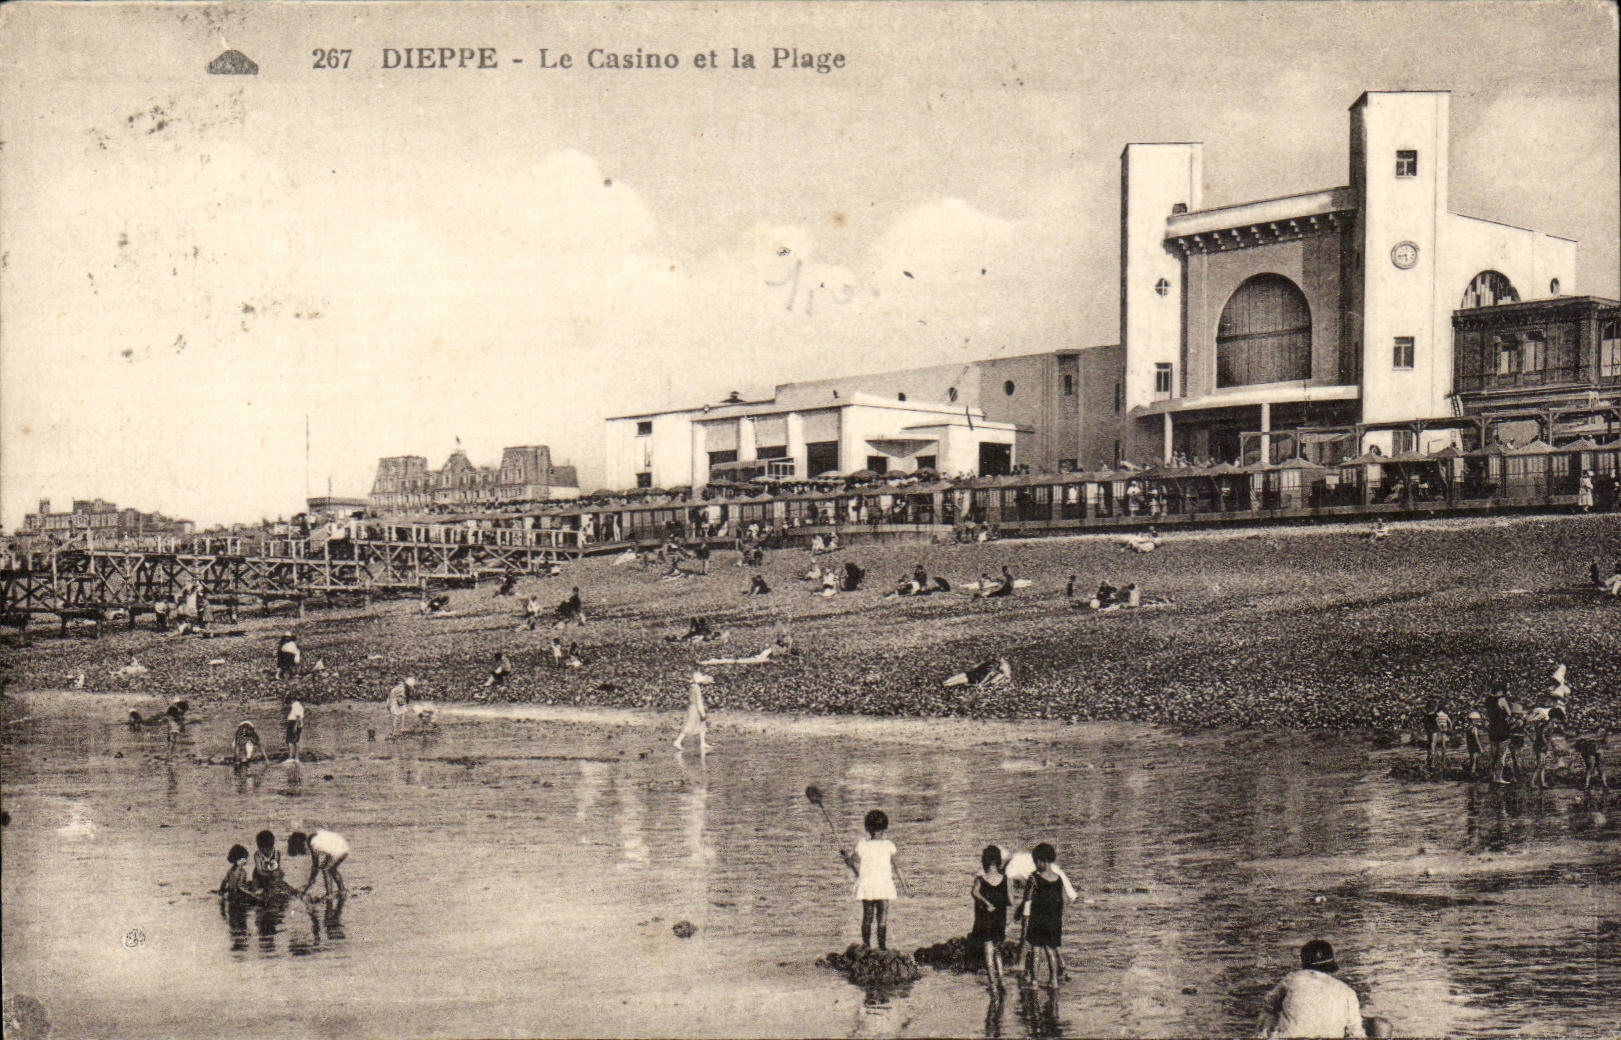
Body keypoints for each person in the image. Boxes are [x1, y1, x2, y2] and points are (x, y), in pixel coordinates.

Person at [1256, 939, 1366, 1038]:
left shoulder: (1292, 980)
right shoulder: (1347, 992)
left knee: (1269, 1016)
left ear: (1304, 962)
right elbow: (1356, 1033)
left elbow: (1269, 1005)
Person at [842, 809, 904, 950]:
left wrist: (846, 857)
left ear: (867, 828)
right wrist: (905, 886)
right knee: (882, 918)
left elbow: (852, 862)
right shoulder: (889, 845)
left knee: (867, 917)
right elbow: (897, 867)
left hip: (868, 886)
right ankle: (882, 947)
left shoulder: (862, 845)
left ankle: (866, 946)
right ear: (885, 828)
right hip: (883, 886)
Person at [1016, 843, 1071, 988]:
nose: (1035, 864)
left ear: (1042, 861)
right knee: (1050, 950)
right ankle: (1053, 981)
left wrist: (1019, 911)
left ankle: (1034, 981)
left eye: (1036, 861)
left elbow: (1027, 898)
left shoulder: (1034, 878)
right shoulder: (1058, 878)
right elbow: (1064, 899)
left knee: (1036, 950)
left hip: (1038, 919)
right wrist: (1058, 915)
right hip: (1054, 919)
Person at [970, 845, 1010, 990]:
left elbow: (975, 893)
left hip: (985, 919)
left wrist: (986, 902)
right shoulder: (1005, 879)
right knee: (998, 949)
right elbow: (1010, 901)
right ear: (999, 862)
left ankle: (992, 983)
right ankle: (1002, 980)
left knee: (988, 951)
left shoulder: (980, 879)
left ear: (984, 861)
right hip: (1000, 918)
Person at [289, 829, 349, 901]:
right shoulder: (311, 837)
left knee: (325, 869)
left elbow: (315, 865)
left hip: (339, 849)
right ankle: (341, 889)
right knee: (332, 869)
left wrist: (311, 879)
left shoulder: (313, 844)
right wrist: (312, 878)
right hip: (342, 846)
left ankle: (329, 894)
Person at [673, 670, 714, 754]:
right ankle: (678, 741)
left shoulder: (692, 686)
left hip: (692, 707)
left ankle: (702, 743)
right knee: (690, 725)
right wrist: (702, 712)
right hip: (695, 709)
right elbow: (698, 702)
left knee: (702, 724)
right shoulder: (697, 688)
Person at [1421, 699, 1451, 775]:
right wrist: (1441, 729)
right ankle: (1434, 762)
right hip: (1434, 730)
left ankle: (1430, 760)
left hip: (1430, 730)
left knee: (1430, 744)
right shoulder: (1435, 715)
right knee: (1433, 745)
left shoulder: (1427, 715)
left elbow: (1425, 723)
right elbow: (1437, 723)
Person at [252, 829, 287, 894]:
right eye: (261, 848)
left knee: (277, 880)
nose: (265, 850)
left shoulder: (276, 853)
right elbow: (259, 871)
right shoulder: (257, 855)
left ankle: (275, 890)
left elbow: (276, 867)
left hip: (271, 874)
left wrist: (278, 874)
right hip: (260, 875)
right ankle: (260, 890)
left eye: (268, 848)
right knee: (256, 883)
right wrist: (270, 875)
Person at [1463, 710, 1490, 779]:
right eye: (1477, 720)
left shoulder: (1468, 728)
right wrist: (1480, 747)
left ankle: (1472, 773)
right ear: (1473, 720)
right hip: (1475, 746)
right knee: (1475, 759)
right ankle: (1473, 773)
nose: (1478, 722)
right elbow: (1477, 739)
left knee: (1473, 759)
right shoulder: (1474, 728)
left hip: (1470, 746)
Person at [285, 696, 305, 763]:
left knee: (290, 741)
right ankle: (296, 757)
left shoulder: (295, 705)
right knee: (295, 740)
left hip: (294, 723)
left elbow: (297, 716)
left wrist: (295, 726)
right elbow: (300, 718)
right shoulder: (300, 706)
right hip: (297, 723)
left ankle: (291, 757)